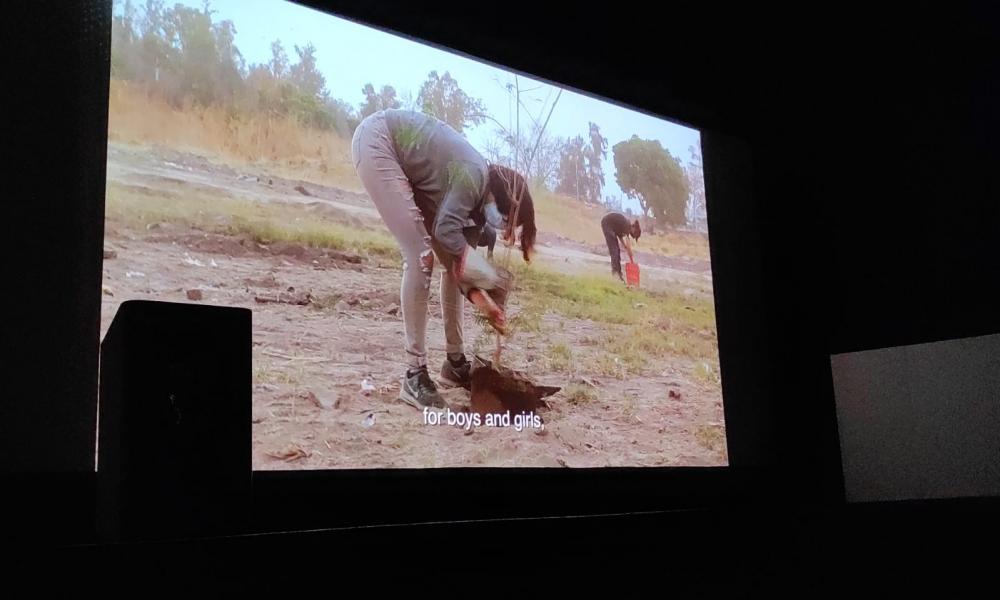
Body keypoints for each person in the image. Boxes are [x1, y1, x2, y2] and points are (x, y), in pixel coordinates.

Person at [351, 109, 537, 409]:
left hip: (413, 172)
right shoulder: (473, 175)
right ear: (498, 200)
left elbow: (457, 269)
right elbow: (445, 229)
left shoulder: (477, 217)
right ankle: (415, 375)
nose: (502, 227)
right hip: (380, 142)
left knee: (451, 270)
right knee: (420, 255)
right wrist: (489, 276)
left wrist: (487, 302)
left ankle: (454, 362)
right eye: (505, 220)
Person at [600, 212, 641, 281]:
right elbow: (628, 245)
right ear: (633, 228)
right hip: (607, 224)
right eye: (635, 234)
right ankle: (616, 273)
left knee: (617, 251)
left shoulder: (625, 226)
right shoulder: (627, 226)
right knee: (614, 251)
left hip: (611, 227)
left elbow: (620, 236)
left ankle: (619, 273)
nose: (633, 237)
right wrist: (631, 259)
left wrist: (624, 246)